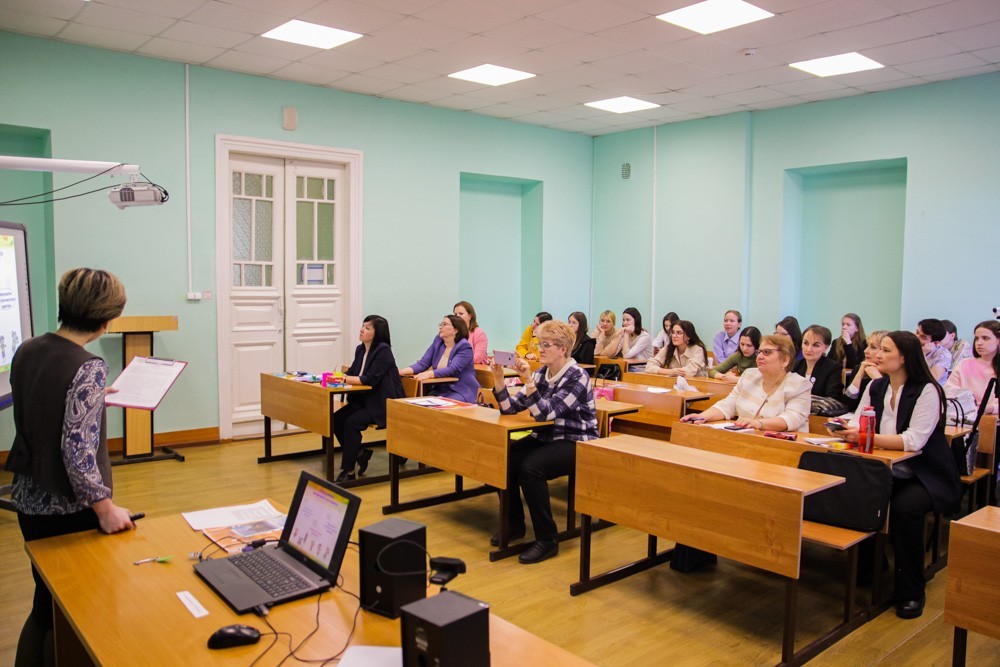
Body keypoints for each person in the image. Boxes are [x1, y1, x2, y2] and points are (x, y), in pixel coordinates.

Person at [6, 268, 134, 666]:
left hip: (28, 499)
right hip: (66, 510)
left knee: (43, 603)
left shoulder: (28, 348)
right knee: (71, 612)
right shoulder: (88, 366)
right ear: (106, 319)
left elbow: (45, 403)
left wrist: (92, 399)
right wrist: (105, 508)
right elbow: (77, 454)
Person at [833, 331, 961, 619]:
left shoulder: (927, 390)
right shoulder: (877, 386)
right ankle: (869, 569)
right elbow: (857, 420)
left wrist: (867, 436)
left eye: (885, 350)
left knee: (905, 508)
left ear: (904, 358)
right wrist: (846, 429)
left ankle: (911, 591)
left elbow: (914, 440)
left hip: (923, 474)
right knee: (857, 494)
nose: (877, 355)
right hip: (884, 470)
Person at [489, 320, 598, 564]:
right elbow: (509, 409)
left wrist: (527, 381)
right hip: (547, 437)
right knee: (503, 457)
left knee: (531, 469)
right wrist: (498, 380)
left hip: (576, 441)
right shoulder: (541, 374)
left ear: (562, 349)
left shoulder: (577, 376)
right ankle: (514, 525)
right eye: (540, 343)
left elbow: (545, 413)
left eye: (546, 345)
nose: (541, 348)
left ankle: (547, 540)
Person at [680, 334, 811, 432]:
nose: (760, 356)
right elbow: (728, 405)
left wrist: (759, 424)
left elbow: (791, 419)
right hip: (746, 440)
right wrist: (702, 416)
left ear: (785, 360)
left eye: (767, 352)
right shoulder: (749, 375)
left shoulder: (800, 385)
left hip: (781, 448)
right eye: (759, 352)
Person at [333, 315, 405, 483]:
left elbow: (369, 379)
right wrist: (336, 377)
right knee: (336, 419)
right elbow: (353, 373)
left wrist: (342, 379)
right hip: (364, 400)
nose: (362, 330)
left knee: (351, 422)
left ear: (377, 333)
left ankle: (348, 471)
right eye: (362, 326)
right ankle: (360, 453)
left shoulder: (383, 351)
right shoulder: (360, 349)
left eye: (367, 328)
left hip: (382, 403)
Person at [400, 315, 479, 403]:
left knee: (438, 405)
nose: (440, 327)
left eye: (444, 324)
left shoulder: (464, 346)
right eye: (440, 324)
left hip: (460, 390)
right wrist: (402, 371)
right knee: (417, 404)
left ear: (456, 330)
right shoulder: (438, 341)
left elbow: (453, 369)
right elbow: (423, 363)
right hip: (440, 389)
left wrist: (429, 374)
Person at [945, 321, 999, 415]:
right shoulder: (965, 364)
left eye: (985, 338)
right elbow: (949, 392)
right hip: (967, 419)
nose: (979, 343)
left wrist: (991, 408)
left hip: (994, 420)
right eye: (977, 339)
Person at [794, 325, 844, 399]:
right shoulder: (795, 365)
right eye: (806, 343)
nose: (808, 349)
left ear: (825, 347)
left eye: (816, 345)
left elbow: (833, 398)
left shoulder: (832, 368)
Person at [844, 330, 888, 407]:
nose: (865, 351)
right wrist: (859, 376)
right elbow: (847, 404)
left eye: (873, 347)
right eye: (867, 346)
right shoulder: (860, 368)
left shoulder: (892, 373)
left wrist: (878, 379)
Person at [916, 318, 952, 385]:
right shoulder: (910, 346)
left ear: (935, 343)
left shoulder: (943, 355)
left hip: (932, 392)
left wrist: (922, 354)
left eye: (923, 337)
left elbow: (933, 379)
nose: (916, 337)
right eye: (917, 332)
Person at [619, 307, 652, 371]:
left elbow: (626, 355)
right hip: (630, 367)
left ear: (636, 321)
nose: (624, 323)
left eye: (628, 320)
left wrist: (626, 333)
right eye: (623, 320)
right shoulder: (626, 334)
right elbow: (613, 353)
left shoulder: (645, 337)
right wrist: (620, 335)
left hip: (644, 369)